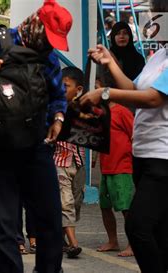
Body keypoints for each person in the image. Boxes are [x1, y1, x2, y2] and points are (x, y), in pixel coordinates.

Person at [0, 0, 72, 272]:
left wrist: (58, 118)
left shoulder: (48, 56)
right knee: (4, 227)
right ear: (36, 24)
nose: (48, 44)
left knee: (50, 223)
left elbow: (58, 96)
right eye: (48, 37)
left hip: (37, 148)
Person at [80, 1, 168, 271]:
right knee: (159, 231)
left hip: (162, 158)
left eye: (157, 14)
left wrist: (105, 93)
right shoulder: (159, 56)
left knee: (138, 226)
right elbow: (133, 87)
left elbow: (153, 99)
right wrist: (110, 62)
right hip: (142, 155)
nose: (153, 20)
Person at [93, 79, 135, 258]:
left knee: (126, 209)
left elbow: (135, 135)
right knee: (105, 207)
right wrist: (95, 158)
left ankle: (133, 244)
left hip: (123, 167)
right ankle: (113, 240)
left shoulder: (123, 112)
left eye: (97, 89)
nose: (94, 92)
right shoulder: (100, 113)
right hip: (106, 168)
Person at [54, 66, 87, 259]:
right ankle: (74, 243)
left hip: (78, 160)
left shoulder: (84, 107)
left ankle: (63, 236)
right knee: (65, 201)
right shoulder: (55, 108)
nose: (62, 89)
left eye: (66, 86)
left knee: (76, 201)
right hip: (59, 160)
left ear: (79, 89)